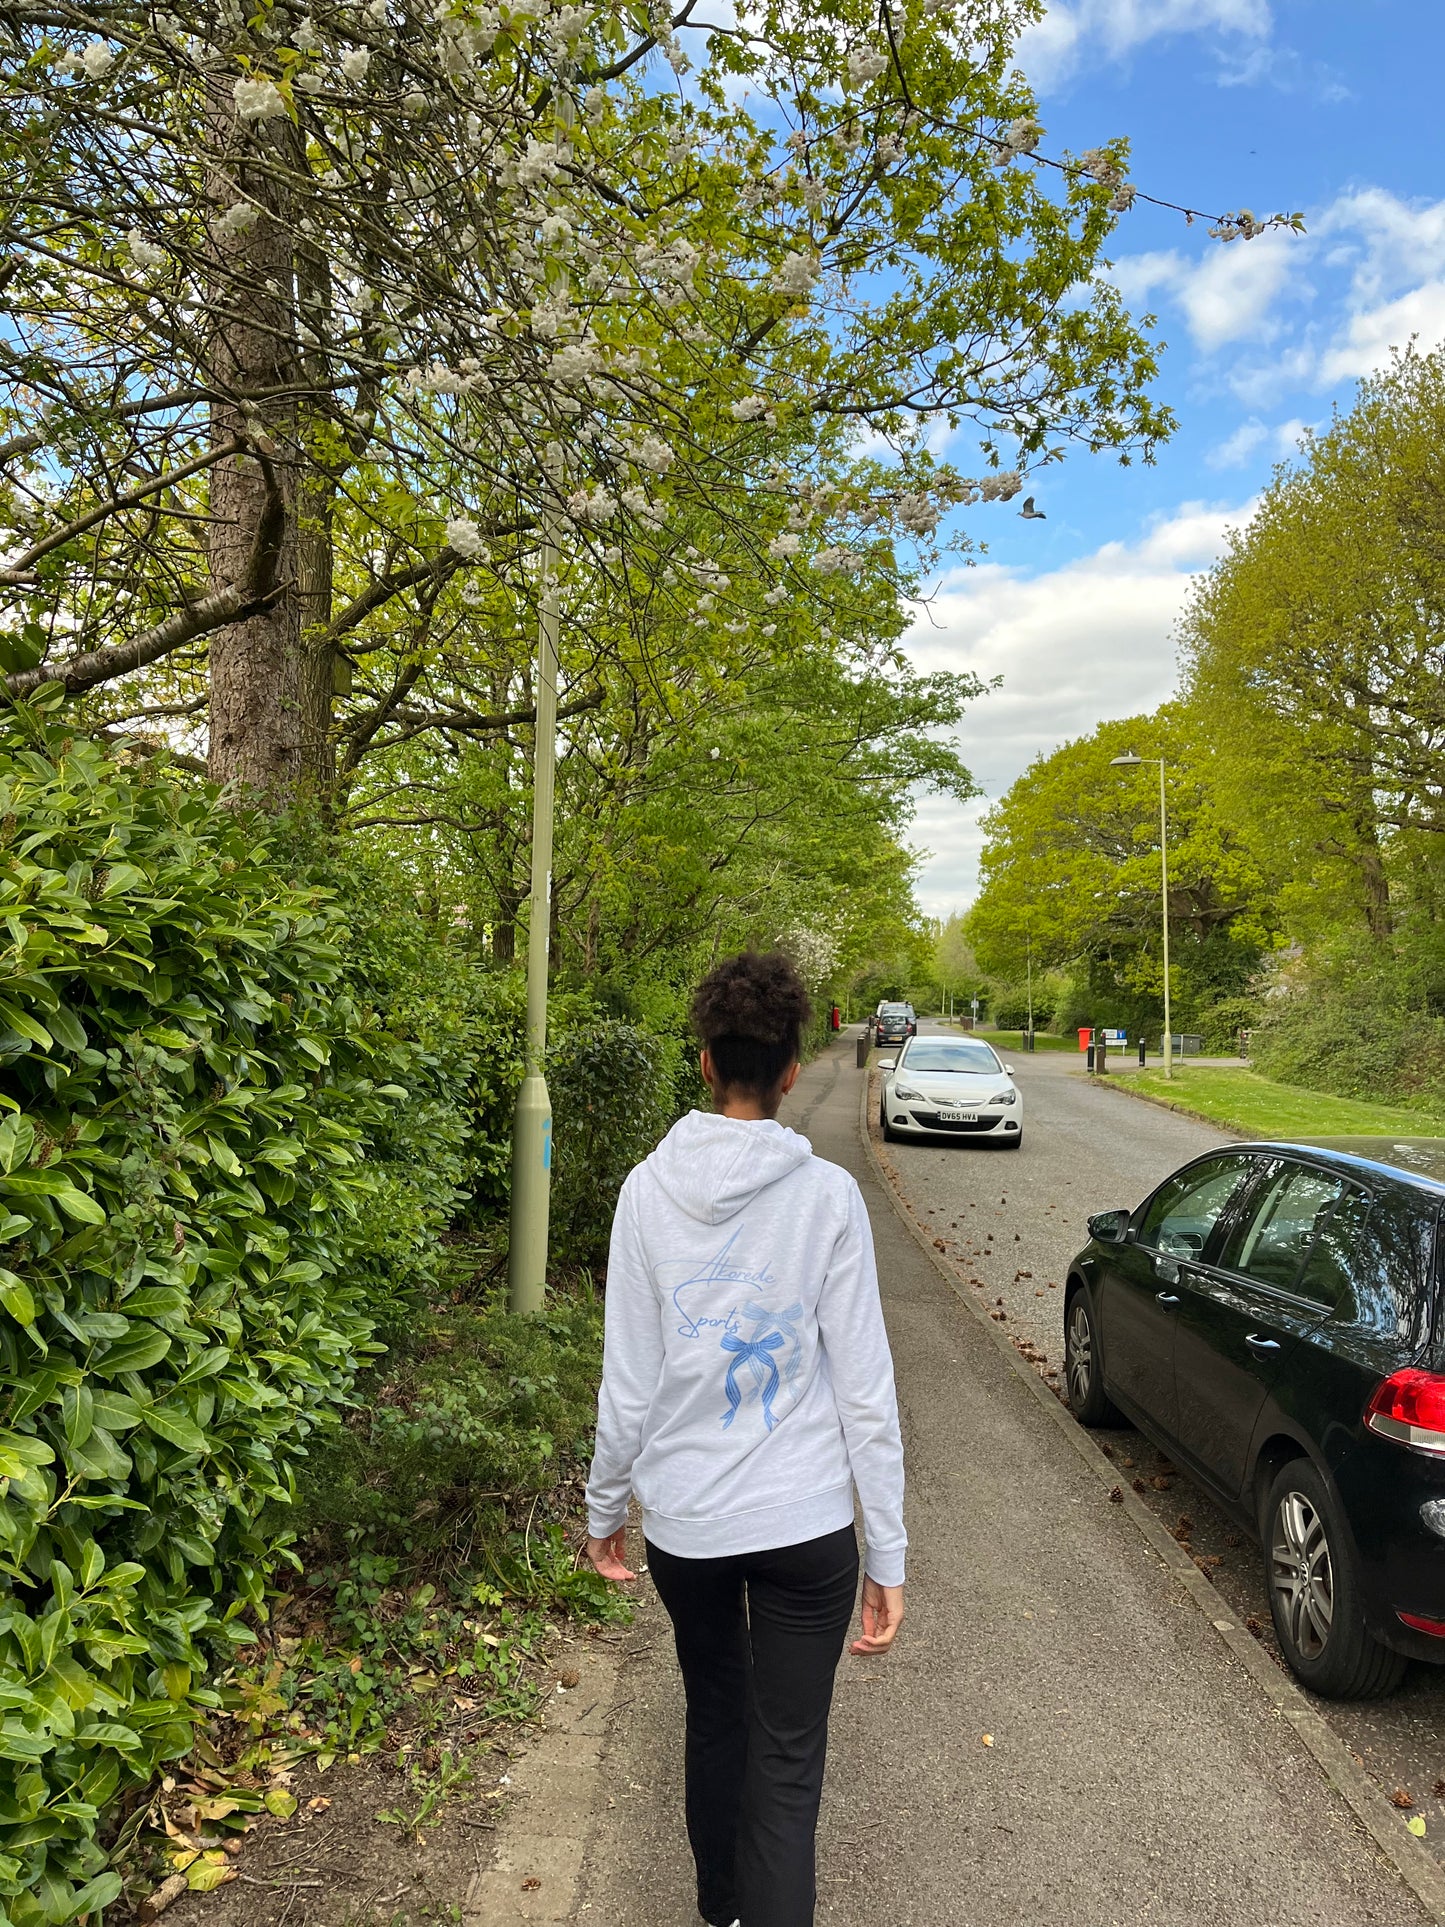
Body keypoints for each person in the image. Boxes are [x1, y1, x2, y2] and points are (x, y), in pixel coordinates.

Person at [585, 950, 906, 1927]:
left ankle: (720, 1910)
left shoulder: (646, 1192)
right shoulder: (826, 1201)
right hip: (807, 1532)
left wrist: (604, 1510)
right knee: (785, 1758)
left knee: (715, 1715)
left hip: (687, 1525)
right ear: (790, 1073)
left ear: (701, 1062)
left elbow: (629, 1379)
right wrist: (885, 1546)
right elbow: (865, 1390)